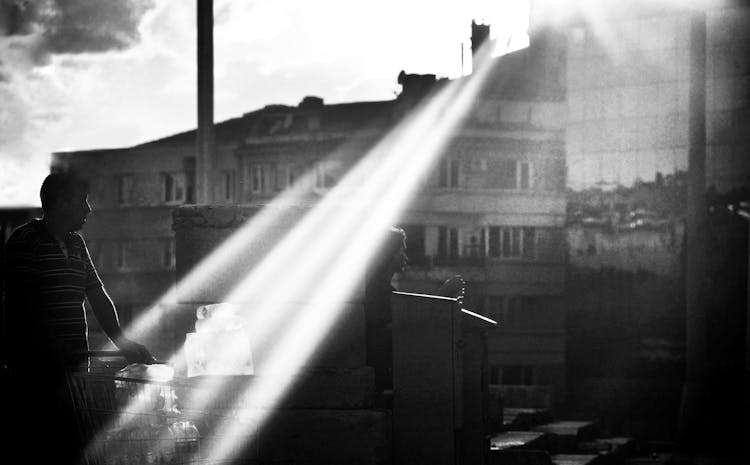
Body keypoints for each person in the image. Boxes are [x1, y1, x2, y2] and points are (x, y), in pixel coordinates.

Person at [1, 169, 154, 465]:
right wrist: (45, 352)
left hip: (73, 370)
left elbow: (97, 295)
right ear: (61, 203)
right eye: (82, 201)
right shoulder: (25, 241)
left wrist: (122, 341)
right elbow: (24, 306)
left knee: (73, 446)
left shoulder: (77, 244)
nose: (88, 209)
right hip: (37, 375)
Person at [364, 226, 408, 397]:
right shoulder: (379, 292)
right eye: (402, 251)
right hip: (375, 376)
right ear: (389, 253)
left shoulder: (381, 289)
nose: (406, 257)